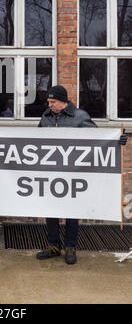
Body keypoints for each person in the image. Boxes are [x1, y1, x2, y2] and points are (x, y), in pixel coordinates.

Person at [36, 85, 127, 265]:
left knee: (71, 210)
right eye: (49, 101)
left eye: (53, 102)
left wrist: (118, 140)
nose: (50, 105)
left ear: (63, 101)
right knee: (50, 210)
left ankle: (71, 247)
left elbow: (99, 138)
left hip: (73, 173)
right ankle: (53, 246)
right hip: (51, 173)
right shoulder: (45, 117)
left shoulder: (80, 117)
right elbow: (36, 140)